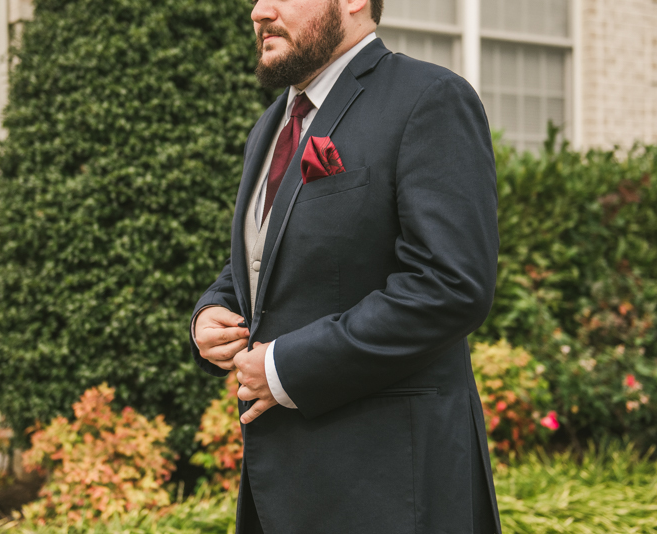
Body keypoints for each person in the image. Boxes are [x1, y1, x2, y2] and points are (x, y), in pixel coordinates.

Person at [190, 0, 501, 532]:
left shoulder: (429, 98)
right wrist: (214, 310)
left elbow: (450, 285)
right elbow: (266, 253)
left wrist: (286, 366)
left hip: (388, 491)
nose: (258, 11)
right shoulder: (270, 126)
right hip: (282, 492)